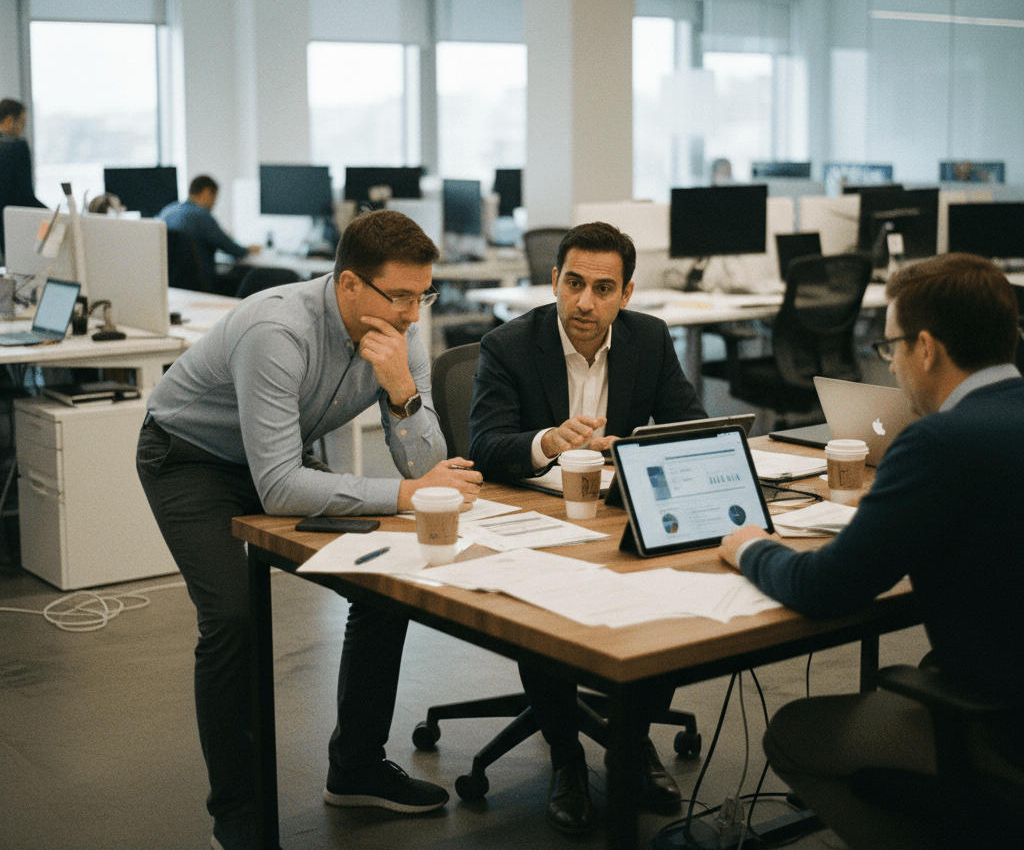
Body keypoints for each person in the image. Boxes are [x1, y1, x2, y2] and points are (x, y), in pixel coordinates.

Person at [136, 210, 483, 850]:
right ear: (350, 284)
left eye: (422, 294)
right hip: (192, 459)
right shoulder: (278, 330)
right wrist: (408, 494)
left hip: (281, 454)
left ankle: (354, 767)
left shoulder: (401, 330)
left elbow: (423, 464)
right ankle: (237, 814)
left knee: (385, 582)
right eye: (400, 296)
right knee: (233, 617)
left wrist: (405, 393)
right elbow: (281, 490)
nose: (413, 313)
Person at [719, 252, 1024, 850]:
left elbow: (825, 588)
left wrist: (753, 548)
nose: (891, 365)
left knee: (794, 732)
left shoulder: (939, 442)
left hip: (1001, 727)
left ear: (927, 349)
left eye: (891, 348)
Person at [469, 221, 706, 834]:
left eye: (604, 289)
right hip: (537, 518)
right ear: (553, 281)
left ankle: (629, 739)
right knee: (543, 610)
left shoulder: (649, 339)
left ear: (626, 294)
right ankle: (567, 757)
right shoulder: (508, 346)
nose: (584, 302)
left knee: (677, 594)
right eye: (573, 283)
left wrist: (637, 448)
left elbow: (691, 427)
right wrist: (547, 440)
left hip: (616, 513)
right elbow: (486, 446)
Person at [158, 175, 260, 293]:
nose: (214, 204)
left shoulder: (167, 211)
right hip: (200, 284)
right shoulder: (201, 215)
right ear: (207, 192)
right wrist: (248, 249)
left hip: (172, 285)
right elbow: (233, 250)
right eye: (215, 198)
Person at [0, 98, 47, 258]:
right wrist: (53, 216)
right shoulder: (16, 146)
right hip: (12, 228)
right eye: (22, 122)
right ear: (9, 120)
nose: (22, 128)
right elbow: (25, 196)